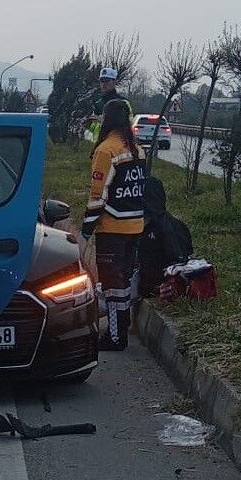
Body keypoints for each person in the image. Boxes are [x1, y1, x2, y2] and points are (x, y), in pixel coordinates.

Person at [81, 97, 146, 350]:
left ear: (107, 120)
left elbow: (98, 196)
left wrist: (86, 230)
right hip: (135, 226)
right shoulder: (137, 149)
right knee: (123, 282)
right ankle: (120, 331)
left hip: (112, 228)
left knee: (112, 286)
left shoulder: (106, 150)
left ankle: (116, 337)